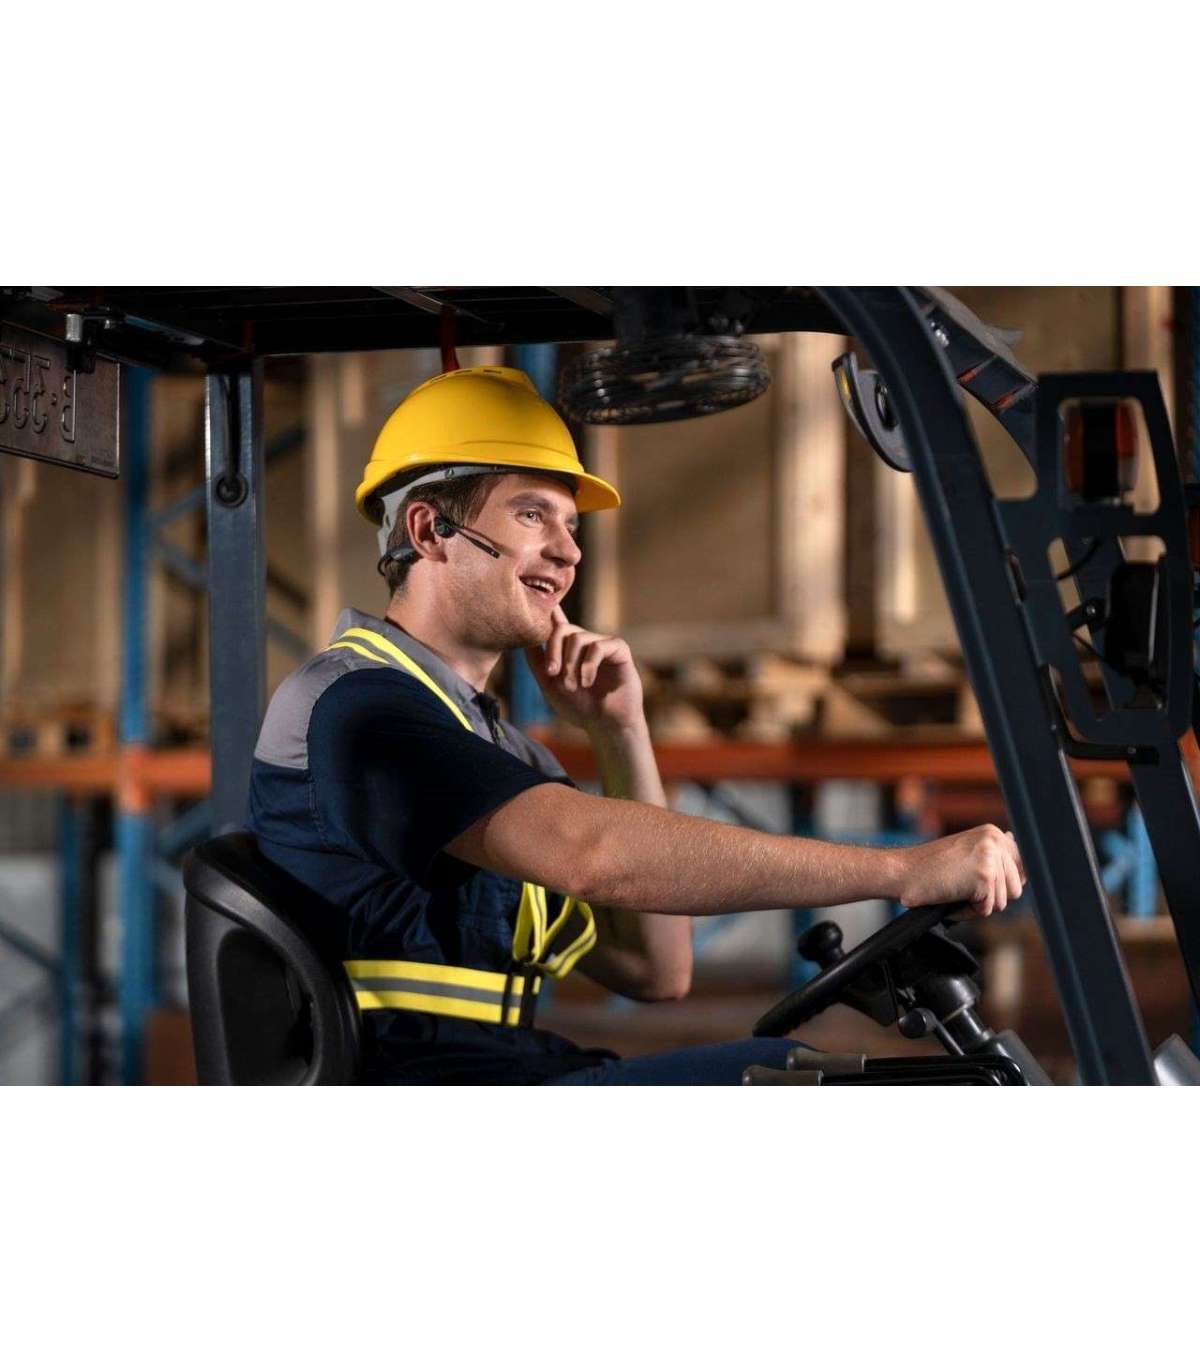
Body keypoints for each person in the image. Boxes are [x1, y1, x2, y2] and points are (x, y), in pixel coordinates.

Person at [247, 364, 1025, 1084]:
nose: (568, 551)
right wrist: (900, 872)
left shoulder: (494, 748)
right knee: (789, 1084)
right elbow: (594, 855)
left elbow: (657, 968)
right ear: (428, 533)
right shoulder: (360, 711)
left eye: (570, 525)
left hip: (512, 1076)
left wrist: (620, 731)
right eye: (532, 515)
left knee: (811, 1075)